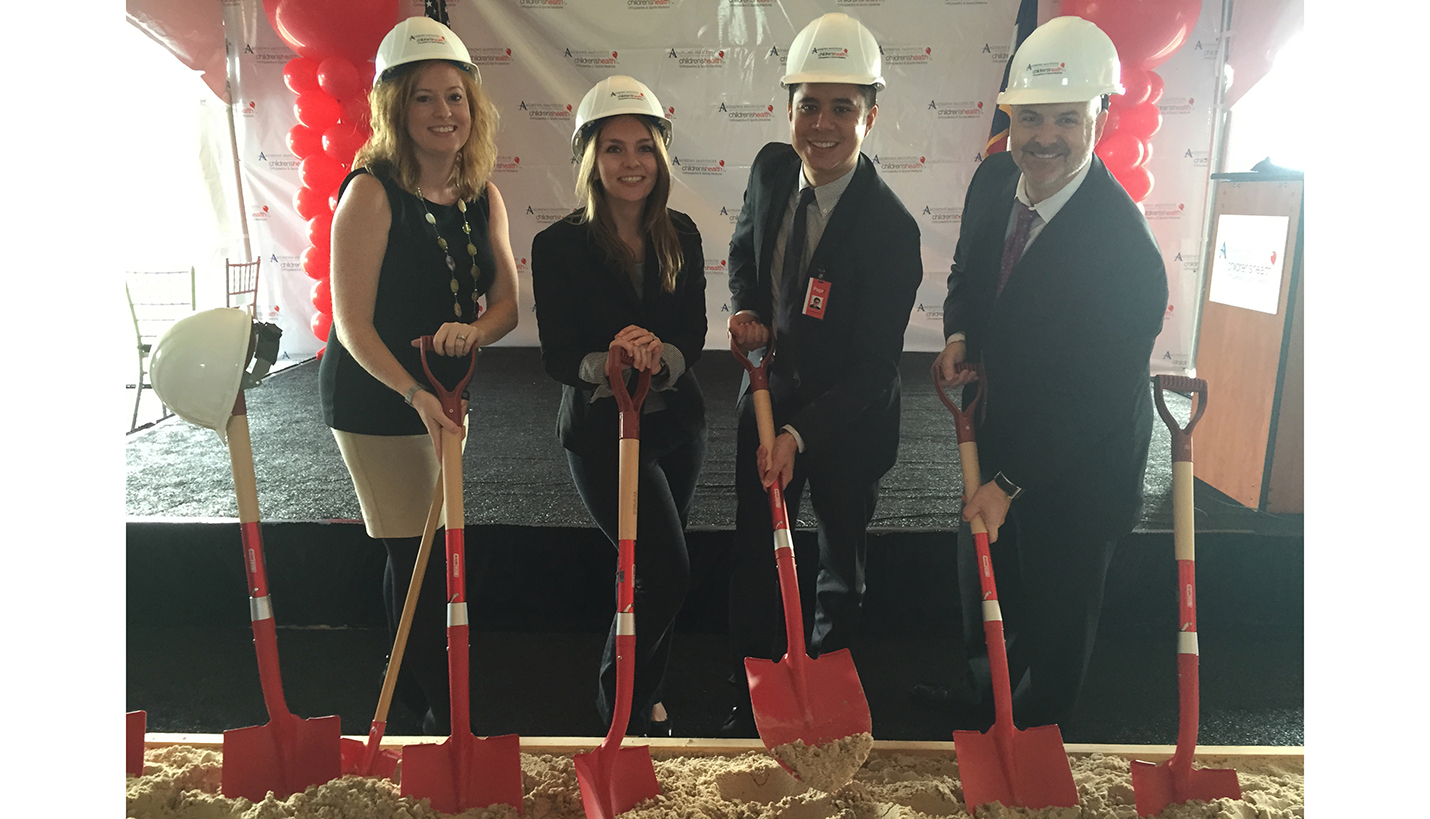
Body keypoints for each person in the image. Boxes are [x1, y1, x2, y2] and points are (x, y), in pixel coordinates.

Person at [915, 16, 1169, 729]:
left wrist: (1007, 482)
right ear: (1011, 119)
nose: (1044, 137)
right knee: (986, 587)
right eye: (1030, 117)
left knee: (1055, 616)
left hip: (1080, 463)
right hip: (1001, 427)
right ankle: (980, 700)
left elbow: (1091, 399)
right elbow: (969, 270)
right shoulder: (996, 178)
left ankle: (1029, 735)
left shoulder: (1126, 253)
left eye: (1066, 117)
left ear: (1103, 115)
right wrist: (962, 330)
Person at [318, 16, 521, 734]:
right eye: (425, 99)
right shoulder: (371, 192)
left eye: (456, 97)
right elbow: (352, 325)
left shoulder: (481, 195)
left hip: (445, 393)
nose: (444, 113)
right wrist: (410, 391)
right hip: (378, 398)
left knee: (423, 544)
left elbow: (507, 306)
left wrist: (475, 329)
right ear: (395, 109)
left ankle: (407, 684)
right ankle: (443, 716)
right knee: (420, 555)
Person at [723, 13, 923, 736]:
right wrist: (746, 308)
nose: (823, 122)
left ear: (871, 115)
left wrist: (801, 435)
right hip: (768, 395)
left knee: (841, 555)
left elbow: (875, 369)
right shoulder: (772, 167)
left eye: (843, 106)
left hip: (846, 422)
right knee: (757, 547)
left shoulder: (891, 230)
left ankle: (829, 680)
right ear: (788, 109)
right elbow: (745, 250)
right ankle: (761, 679)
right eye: (809, 103)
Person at [530, 76, 707, 737]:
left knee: (651, 570)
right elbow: (555, 354)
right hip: (602, 432)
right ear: (590, 159)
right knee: (662, 566)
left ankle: (647, 685)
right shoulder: (558, 246)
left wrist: (663, 354)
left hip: (676, 426)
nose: (630, 162)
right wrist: (607, 359)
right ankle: (621, 706)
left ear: (660, 157)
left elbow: (692, 332)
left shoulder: (681, 233)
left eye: (642, 147)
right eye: (613, 148)